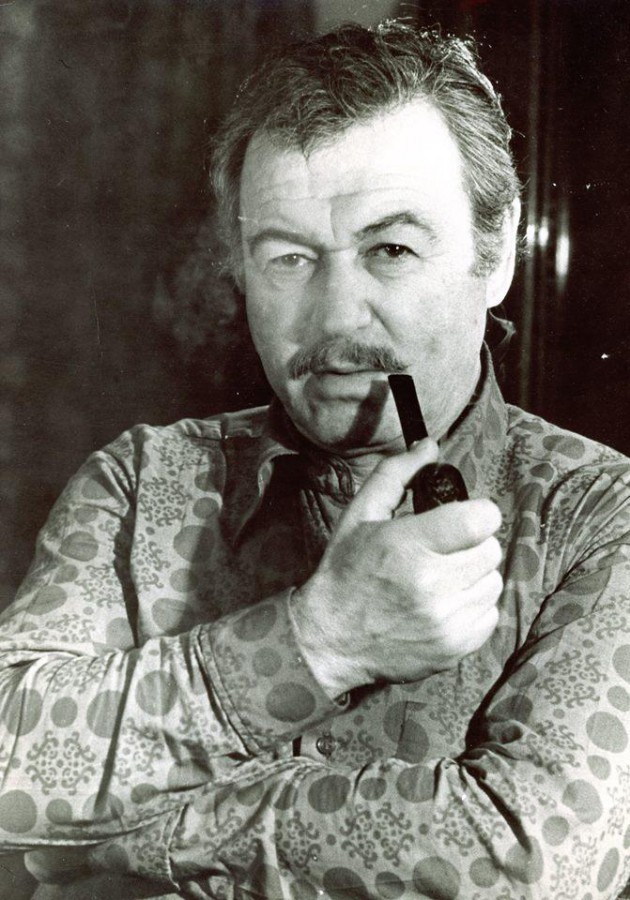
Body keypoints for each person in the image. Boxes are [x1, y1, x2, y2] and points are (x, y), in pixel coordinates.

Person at [0, 20, 629, 900]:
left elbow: (533, 860)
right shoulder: (141, 483)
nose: (336, 318)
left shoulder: (600, 516)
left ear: (494, 256)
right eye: (288, 257)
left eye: (391, 250)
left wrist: (130, 831)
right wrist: (318, 641)